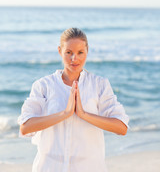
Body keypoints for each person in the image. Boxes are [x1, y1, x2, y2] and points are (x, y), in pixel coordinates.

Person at [18, 27, 129, 172]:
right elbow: (26, 127)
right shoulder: (43, 85)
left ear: (87, 51)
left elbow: (121, 127)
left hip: (89, 167)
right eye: (68, 52)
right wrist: (65, 114)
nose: (74, 58)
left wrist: (83, 114)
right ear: (60, 51)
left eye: (80, 52)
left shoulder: (99, 85)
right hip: (49, 167)